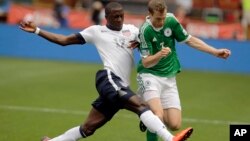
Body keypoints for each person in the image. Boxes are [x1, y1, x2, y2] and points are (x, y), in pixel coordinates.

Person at [19, 2, 193, 141]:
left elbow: (149, 39)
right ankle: (170, 139)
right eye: (115, 16)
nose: (119, 19)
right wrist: (37, 30)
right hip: (109, 78)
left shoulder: (132, 30)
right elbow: (63, 40)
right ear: (106, 17)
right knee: (142, 106)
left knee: (88, 128)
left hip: (120, 88)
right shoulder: (96, 31)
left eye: (121, 16)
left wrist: (143, 42)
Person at [137, 0, 231, 141]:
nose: (162, 22)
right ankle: (151, 117)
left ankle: (147, 117)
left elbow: (189, 40)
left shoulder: (171, 20)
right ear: (149, 14)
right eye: (158, 19)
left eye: (163, 18)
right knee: (158, 115)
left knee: (175, 124)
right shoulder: (145, 30)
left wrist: (215, 51)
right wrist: (159, 54)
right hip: (149, 75)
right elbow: (146, 62)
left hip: (169, 77)